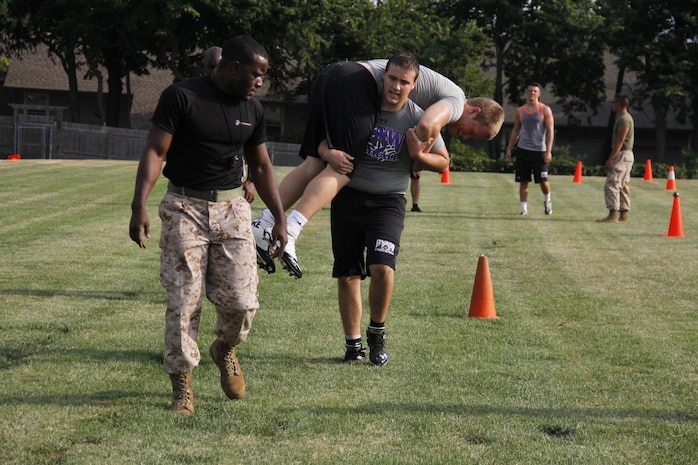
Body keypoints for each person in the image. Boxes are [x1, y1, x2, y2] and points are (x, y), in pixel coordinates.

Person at [128, 35, 287, 415]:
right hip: (184, 205)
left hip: (232, 208)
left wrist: (279, 218)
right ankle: (182, 386)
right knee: (184, 302)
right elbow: (156, 150)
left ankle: (225, 348)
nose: (260, 82)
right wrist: (139, 205)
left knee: (244, 303)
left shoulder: (254, 109)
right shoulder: (182, 97)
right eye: (257, 74)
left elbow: (261, 166)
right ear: (235, 68)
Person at [252, 59, 505, 278]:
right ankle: (292, 230)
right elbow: (428, 124)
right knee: (345, 167)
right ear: (473, 110)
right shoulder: (457, 101)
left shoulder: (441, 91)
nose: (466, 137)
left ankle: (264, 224)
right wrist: (418, 152)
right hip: (355, 83)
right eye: (473, 132)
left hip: (331, 76)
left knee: (314, 164)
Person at [330, 53, 448, 365]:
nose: (396, 86)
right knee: (348, 275)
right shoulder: (361, 106)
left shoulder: (419, 118)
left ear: (414, 84)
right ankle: (352, 345)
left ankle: (376, 332)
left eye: (404, 81)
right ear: (384, 76)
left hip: (388, 203)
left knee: (382, 266)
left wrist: (418, 156)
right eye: (392, 78)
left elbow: (444, 161)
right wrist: (328, 154)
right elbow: (323, 140)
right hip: (348, 197)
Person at [203, 45, 256, 203]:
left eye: (218, 66)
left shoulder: (245, 105)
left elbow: (254, 149)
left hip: (230, 192)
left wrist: (251, 180)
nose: (214, 71)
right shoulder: (190, 99)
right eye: (210, 67)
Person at [504, 82, 555, 216]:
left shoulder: (544, 110)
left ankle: (547, 201)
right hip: (523, 149)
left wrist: (548, 150)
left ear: (539, 94)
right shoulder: (520, 111)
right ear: (526, 93)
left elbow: (550, 131)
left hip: (539, 150)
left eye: (535, 91)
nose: (532, 93)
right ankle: (523, 209)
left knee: (543, 181)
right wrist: (509, 149)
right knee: (523, 181)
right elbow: (515, 130)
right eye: (530, 91)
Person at [597, 94, 634, 222]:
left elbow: (620, 140)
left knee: (612, 183)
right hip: (626, 155)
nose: (612, 104)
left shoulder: (624, 119)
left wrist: (611, 158)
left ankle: (613, 214)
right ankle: (624, 214)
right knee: (623, 184)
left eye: (613, 102)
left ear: (619, 104)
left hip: (622, 155)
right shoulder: (624, 118)